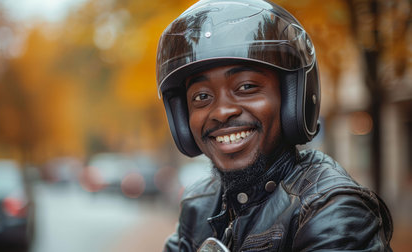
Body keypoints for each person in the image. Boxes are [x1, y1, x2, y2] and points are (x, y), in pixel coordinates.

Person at [155, 0, 394, 251]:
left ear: (292, 99)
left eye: (246, 87)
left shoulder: (331, 210)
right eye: (201, 96)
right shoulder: (199, 204)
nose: (222, 112)